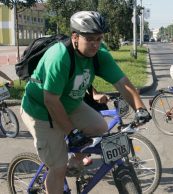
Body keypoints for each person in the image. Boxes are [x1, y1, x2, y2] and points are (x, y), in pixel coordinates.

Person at [20, 11, 151, 194]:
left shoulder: (99, 55)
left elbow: (123, 83)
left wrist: (140, 108)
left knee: (99, 127)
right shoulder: (59, 57)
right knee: (57, 168)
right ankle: (60, 164)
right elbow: (50, 100)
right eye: (90, 39)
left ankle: (74, 162)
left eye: (99, 38)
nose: (95, 44)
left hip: (69, 103)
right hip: (41, 110)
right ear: (75, 36)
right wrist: (71, 132)